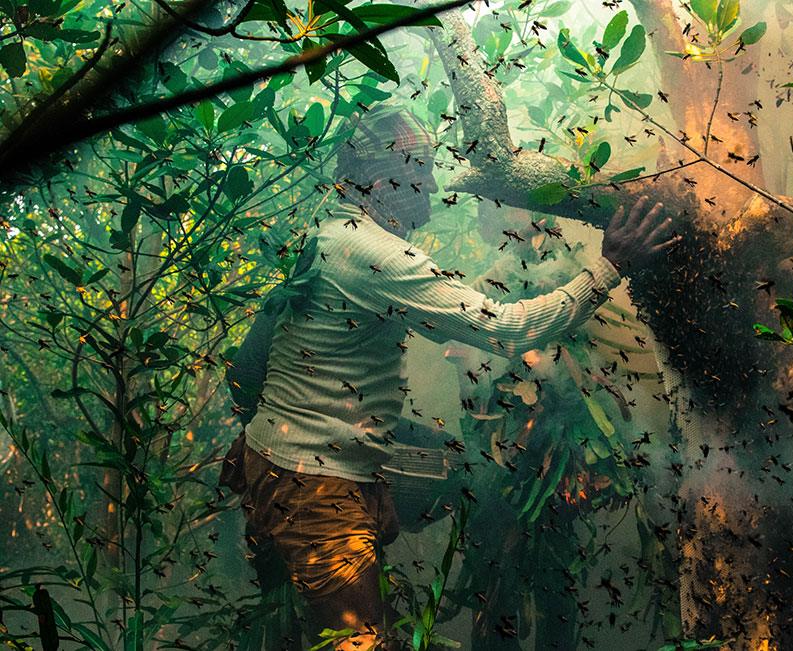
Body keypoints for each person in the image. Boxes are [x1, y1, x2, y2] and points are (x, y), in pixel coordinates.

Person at [231, 107, 678, 650]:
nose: (433, 185)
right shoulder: (376, 255)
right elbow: (508, 331)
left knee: (465, 477)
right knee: (360, 642)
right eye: (421, 170)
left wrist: (271, 446)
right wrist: (610, 267)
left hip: (283, 461)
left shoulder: (324, 234)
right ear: (382, 181)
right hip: (315, 479)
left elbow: (246, 368)